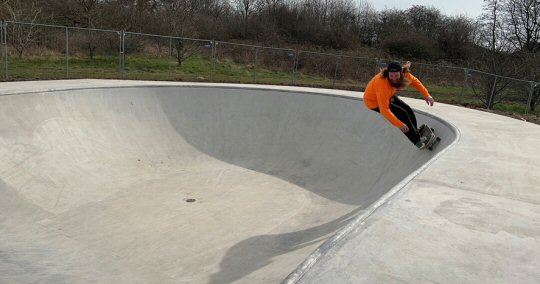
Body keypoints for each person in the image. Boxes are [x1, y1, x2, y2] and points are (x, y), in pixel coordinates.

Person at [363, 61, 435, 149]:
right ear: (387, 74)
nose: (394, 79)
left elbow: (415, 82)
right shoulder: (382, 84)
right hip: (374, 102)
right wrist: (399, 124)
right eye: (391, 76)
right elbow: (384, 110)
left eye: (396, 75)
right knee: (402, 114)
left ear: (401, 73)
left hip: (388, 96)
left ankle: (415, 132)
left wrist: (426, 95)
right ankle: (417, 141)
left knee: (407, 109)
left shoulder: (405, 74)